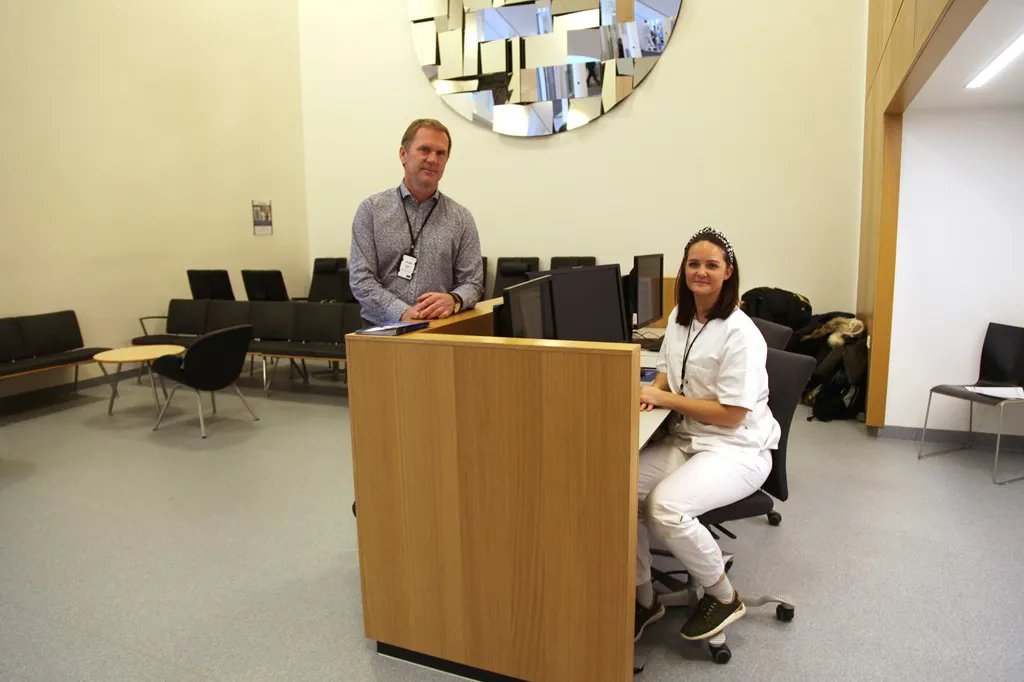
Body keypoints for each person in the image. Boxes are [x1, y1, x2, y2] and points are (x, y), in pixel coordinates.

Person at [633, 227, 781, 643]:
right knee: (618, 487)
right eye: (694, 264)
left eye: (711, 265)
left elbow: (733, 415)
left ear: (728, 273)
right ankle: (644, 598)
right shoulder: (680, 318)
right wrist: (652, 394)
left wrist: (666, 399)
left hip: (737, 449)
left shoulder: (740, 333)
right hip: (690, 438)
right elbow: (667, 371)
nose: (701, 272)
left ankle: (723, 596)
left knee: (665, 508)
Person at [349, 119, 484, 326]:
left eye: (441, 153)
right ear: (403, 154)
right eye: (424, 150)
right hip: (382, 333)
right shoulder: (371, 211)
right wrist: (402, 312)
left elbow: (473, 283)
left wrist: (454, 299)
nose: (433, 159)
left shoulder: (461, 219)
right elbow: (361, 279)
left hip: (438, 331)